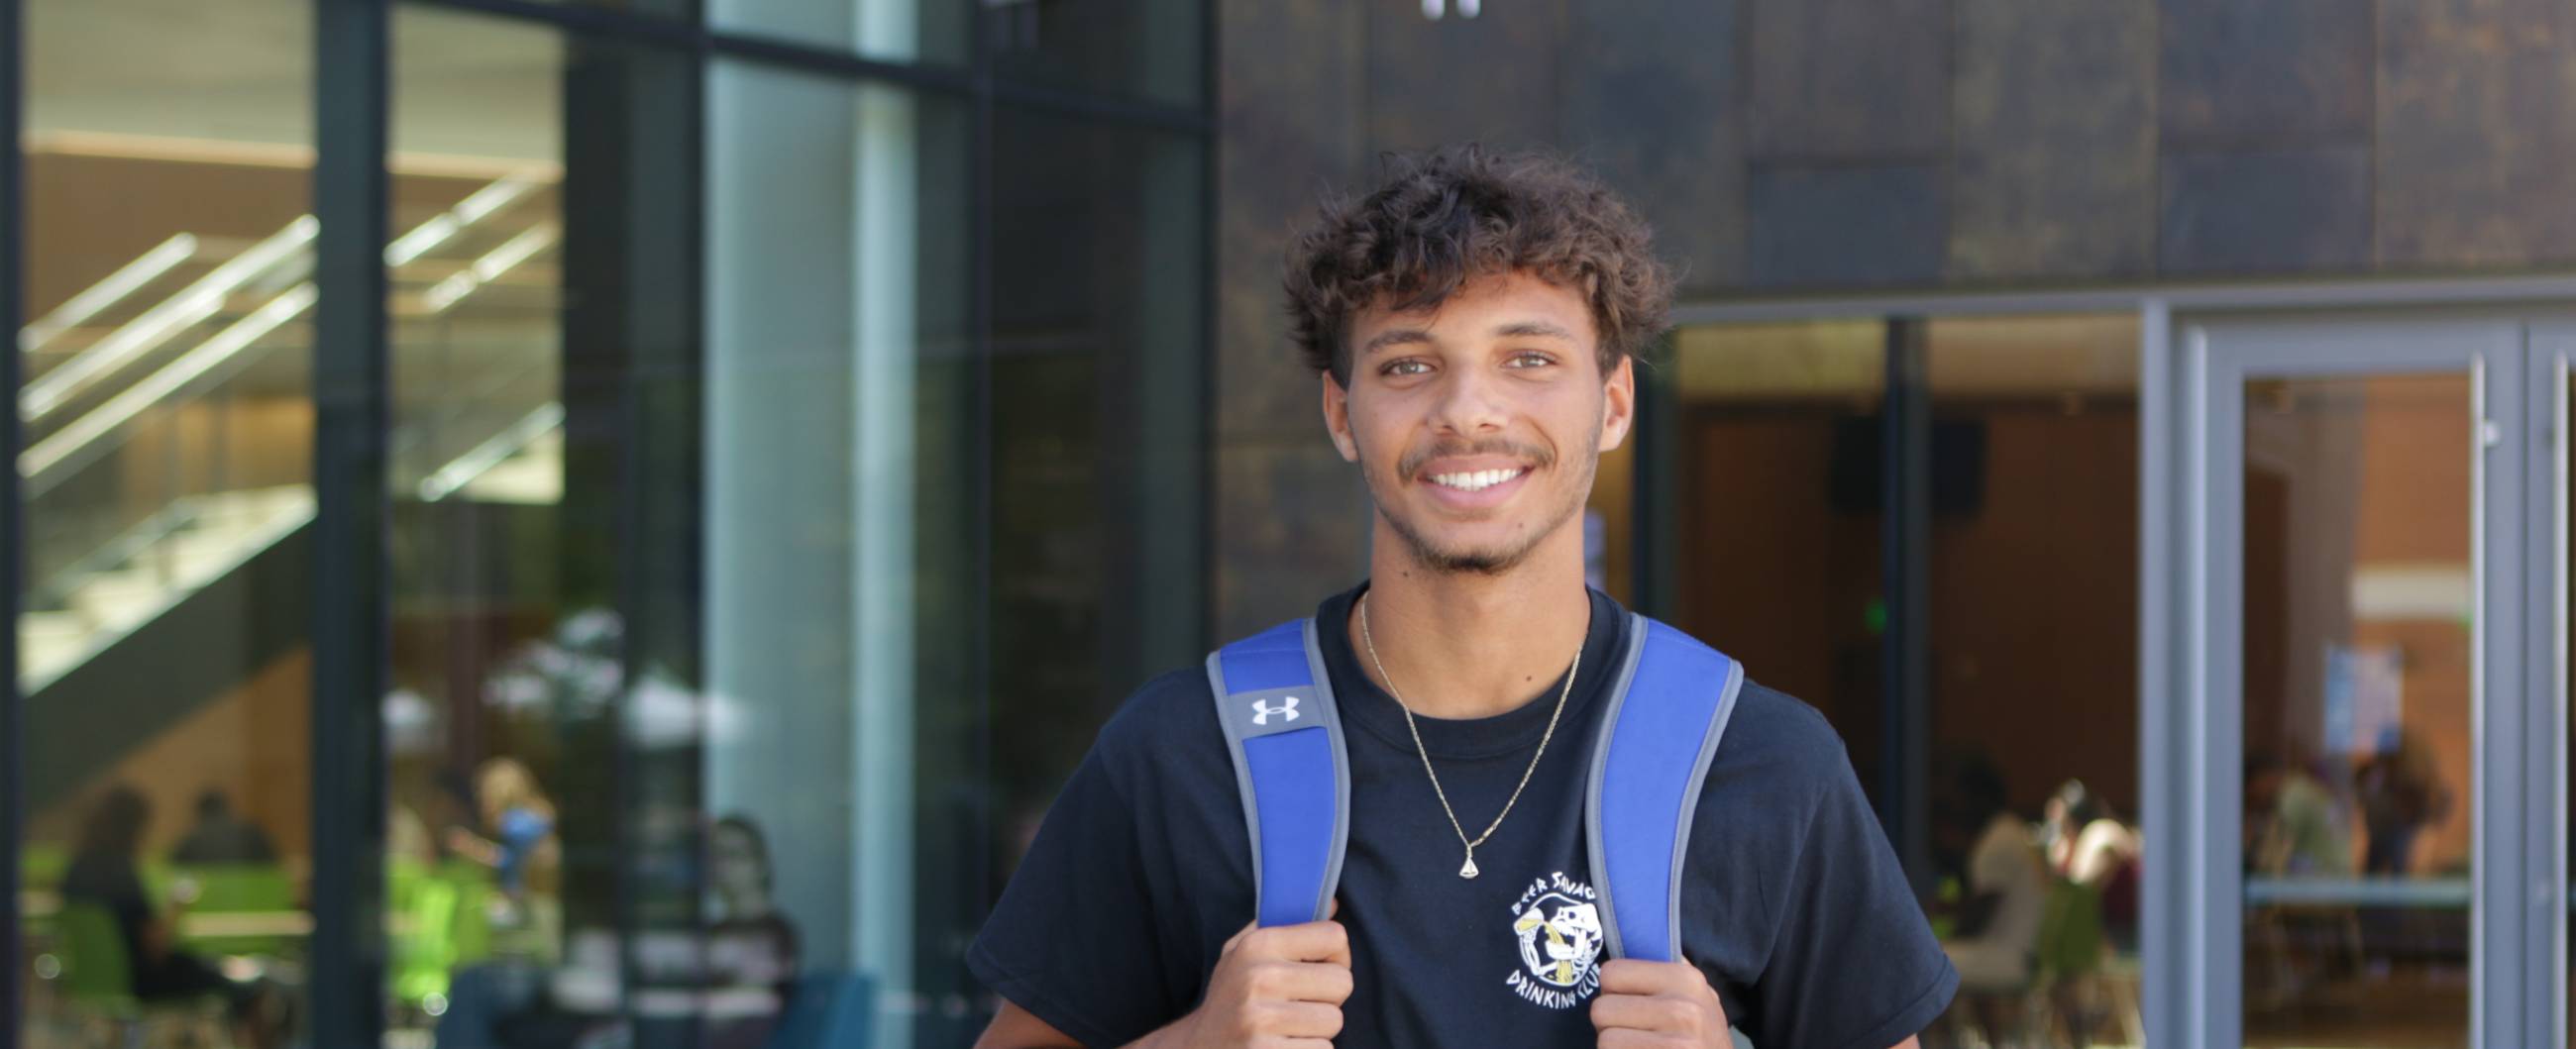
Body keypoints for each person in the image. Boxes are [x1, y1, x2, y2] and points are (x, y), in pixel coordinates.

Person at [969, 147, 1954, 1048]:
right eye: (1407, 364)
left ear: (1611, 404)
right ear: (1340, 412)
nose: (1467, 411)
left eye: (1528, 359)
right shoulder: (1183, 756)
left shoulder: (1761, 764)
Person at [59, 786, 283, 1048]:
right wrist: (176, 907)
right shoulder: (121, 874)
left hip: (94, 979)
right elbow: (156, 946)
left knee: (216, 971)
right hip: (142, 980)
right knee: (244, 988)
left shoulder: (75, 871)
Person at [170, 788, 280, 866]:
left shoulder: (191, 839)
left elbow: (173, 868)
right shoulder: (251, 832)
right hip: (250, 895)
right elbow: (273, 863)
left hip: (210, 896)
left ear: (200, 812)